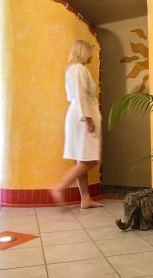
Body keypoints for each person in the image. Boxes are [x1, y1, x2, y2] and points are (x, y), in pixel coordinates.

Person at [50, 40, 104, 209]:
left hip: (79, 114)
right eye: (90, 51)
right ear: (83, 52)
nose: (92, 55)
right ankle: (60, 187)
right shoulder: (79, 69)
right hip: (82, 116)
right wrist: (87, 118)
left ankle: (85, 198)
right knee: (91, 159)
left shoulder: (75, 69)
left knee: (83, 157)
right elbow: (81, 95)